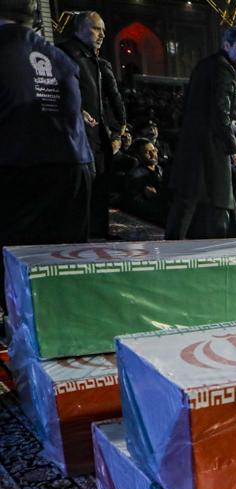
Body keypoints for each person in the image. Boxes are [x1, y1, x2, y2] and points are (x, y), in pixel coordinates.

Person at [0, 0, 92, 312]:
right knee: (61, 269)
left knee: (14, 271)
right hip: (72, 170)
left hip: (17, 169)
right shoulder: (61, 58)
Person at [164, 26, 236, 239]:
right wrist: (234, 148)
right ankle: (217, 253)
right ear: (227, 45)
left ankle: (171, 250)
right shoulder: (223, 70)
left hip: (194, 144)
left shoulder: (207, 65)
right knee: (220, 202)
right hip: (211, 146)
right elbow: (220, 113)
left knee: (187, 200)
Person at [58, 10, 123, 239]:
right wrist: (76, 110)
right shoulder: (64, 53)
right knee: (82, 191)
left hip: (96, 135)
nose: (102, 34)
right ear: (79, 29)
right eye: (96, 29)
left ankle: (98, 234)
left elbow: (105, 98)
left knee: (100, 186)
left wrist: (117, 128)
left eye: (103, 30)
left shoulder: (93, 58)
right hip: (77, 135)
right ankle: (81, 238)